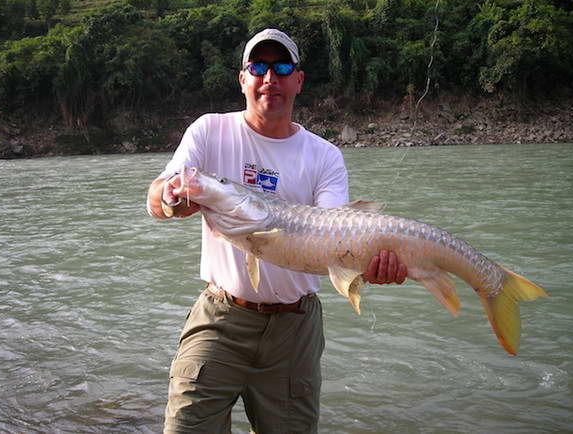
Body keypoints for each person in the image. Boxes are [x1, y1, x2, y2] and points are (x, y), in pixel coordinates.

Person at [146, 28, 407, 433]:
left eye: (283, 67)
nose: (271, 78)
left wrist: (367, 264)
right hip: (221, 317)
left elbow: (333, 235)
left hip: (295, 329)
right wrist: (171, 199)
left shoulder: (324, 156)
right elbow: (158, 197)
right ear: (243, 78)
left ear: (298, 80)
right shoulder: (209, 130)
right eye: (259, 67)